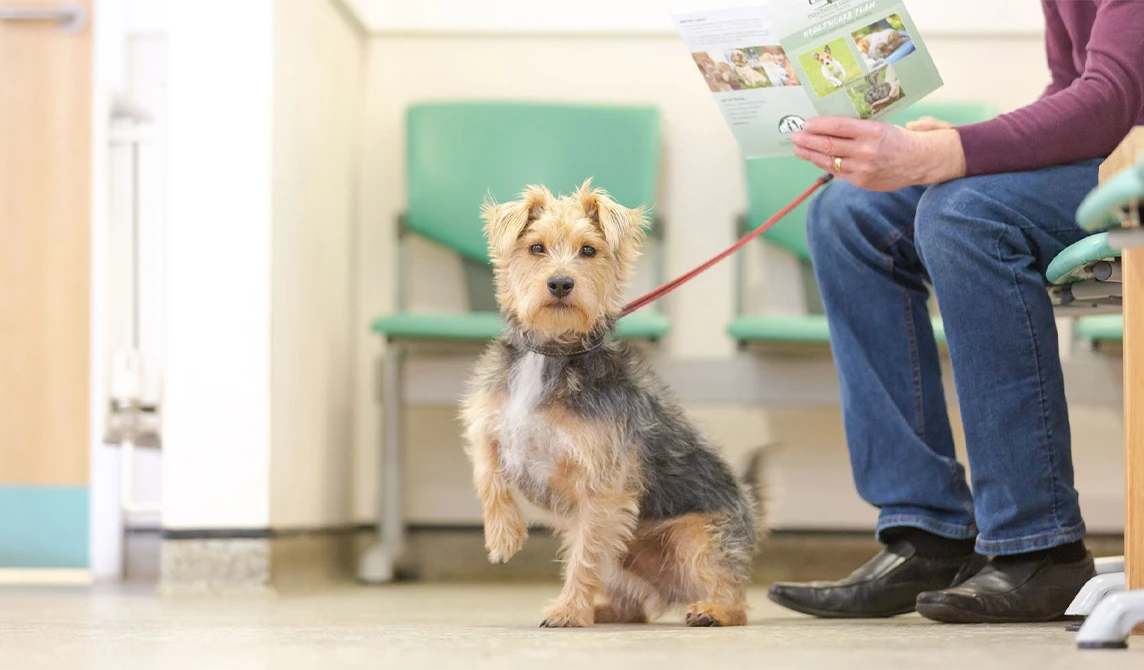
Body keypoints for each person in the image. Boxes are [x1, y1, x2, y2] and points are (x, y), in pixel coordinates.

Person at [769, 0, 1144, 624]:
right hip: (1111, 155)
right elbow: (1069, 89)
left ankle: (1040, 547)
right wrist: (959, 143)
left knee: (963, 213)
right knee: (848, 213)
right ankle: (930, 534)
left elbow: (1109, 103)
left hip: (1135, 159)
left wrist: (948, 154)